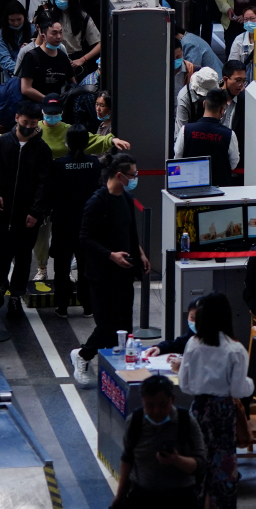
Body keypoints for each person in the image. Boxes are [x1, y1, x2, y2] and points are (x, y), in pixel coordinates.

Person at [171, 291, 252, 509]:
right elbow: (240, 390)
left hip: (199, 410)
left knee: (197, 466)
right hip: (223, 414)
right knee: (219, 471)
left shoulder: (193, 344)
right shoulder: (235, 349)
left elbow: (184, 384)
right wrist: (251, 384)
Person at [69, 153, 148, 389]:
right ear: (120, 175)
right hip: (102, 275)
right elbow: (84, 239)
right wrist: (110, 255)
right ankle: (82, 356)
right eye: (133, 175)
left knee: (124, 325)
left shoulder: (126, 197)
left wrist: (140, 253)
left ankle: (120, 369)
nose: (135, 179)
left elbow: (131, 232)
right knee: (106, 325)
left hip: (124, 272)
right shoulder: (97, 202)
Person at [111, 374, 206, 509]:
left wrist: (177, 460)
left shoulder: (186, 422)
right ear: (142, 401)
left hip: (179, 501)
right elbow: (128, 458)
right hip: (144, 500)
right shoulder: (135, 421)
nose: (156, 411)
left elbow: (200, 465)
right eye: (150, 405)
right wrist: (121, 495)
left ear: (173, 400)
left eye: (162, 405)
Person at [0, 100, 52, 308]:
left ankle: (16, 294)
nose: (29, 127)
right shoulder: (2, 143)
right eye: (25, 122)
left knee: (24, 256)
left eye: (34, 124)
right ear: (16, 118)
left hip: (28, 215)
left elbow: (45, 184)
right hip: (4, 211)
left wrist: (36, 211)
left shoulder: (42, 150)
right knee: (2, 252)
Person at [48, 125, 103, 318]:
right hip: (88, 224)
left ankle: (62, 306)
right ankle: (88, 305)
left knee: (62, 267)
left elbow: (51, 194)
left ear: (67, 143)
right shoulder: (95, 164)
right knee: (86, 265)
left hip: (63, 223)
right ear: (87, 142)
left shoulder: (58, 165)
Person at [174, 88, 239, 186]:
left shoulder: (185, 130)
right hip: (220, 189)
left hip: (190, 187)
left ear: (204, 104)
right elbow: (233, 163)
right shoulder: (229, 134)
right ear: (223, 109)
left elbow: (177, 158)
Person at [18, 14, 75, 101]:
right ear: (43, 36)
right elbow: (26, 89)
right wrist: (48, 101)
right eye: (54, 33)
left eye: (60, 32)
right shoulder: (31, 56)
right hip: (37, 108)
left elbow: (73, 83)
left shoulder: (63, 56)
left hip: (60, 108)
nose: (59, 36)